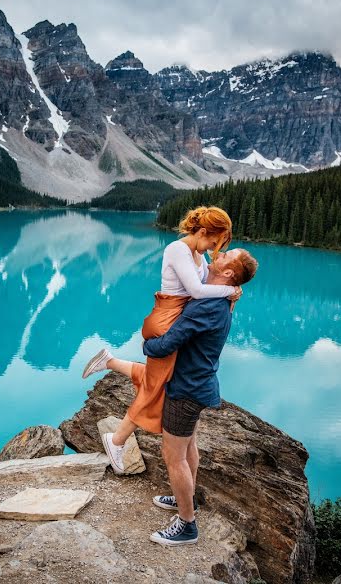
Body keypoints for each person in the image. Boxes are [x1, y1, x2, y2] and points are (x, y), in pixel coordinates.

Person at [81, 207, 241, 475]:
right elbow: (196, 291)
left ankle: (108, 361)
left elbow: (202, 290)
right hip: (167, 319)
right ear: (203, 231)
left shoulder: (197, 254)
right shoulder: (178, 250)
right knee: (156, 385)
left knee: (160, 378)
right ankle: (116, 440)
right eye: (214, 242)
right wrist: (231, 290)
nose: (214, 249)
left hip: (176, 319)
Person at [145, 247, 258, 545]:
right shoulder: (219, 298)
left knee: (173, 457)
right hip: (199, 384)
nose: (215, 255)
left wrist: (147, 343)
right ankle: (188, 500)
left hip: (187, 388)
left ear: (229, 272)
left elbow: (168, 343)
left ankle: (187, 525)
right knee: (188, 447)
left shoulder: (207, 306)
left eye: (223, 255)